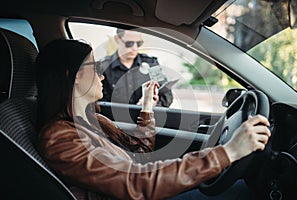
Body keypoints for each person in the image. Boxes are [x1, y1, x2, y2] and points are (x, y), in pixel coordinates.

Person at [36, 39, 271, 200]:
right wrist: (228, 152)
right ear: (73, 76)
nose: (100, 75)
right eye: (93, 66)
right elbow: (136, 183)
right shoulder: (59, 139)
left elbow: (140, 154)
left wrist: (148, 107)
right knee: (244, 192)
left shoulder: (92, 120)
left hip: (149, 190)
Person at [99, 28, 173, 107]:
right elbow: (99, 103)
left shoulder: (151, 64)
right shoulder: (104, 67)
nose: (134, 48)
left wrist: (152, 105)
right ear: (117, 39)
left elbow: (167, 95)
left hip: (147, 118)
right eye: (129, 43)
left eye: (138, 43)